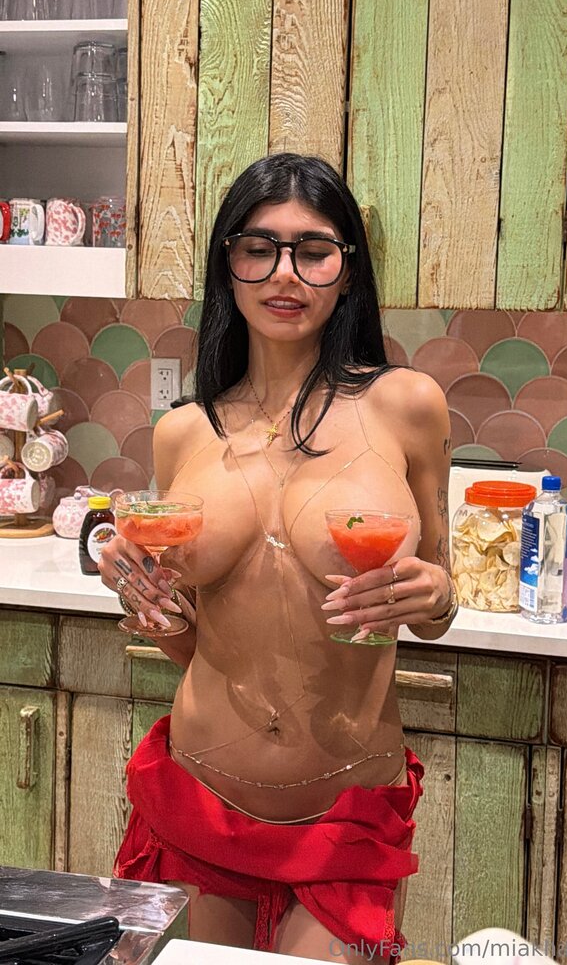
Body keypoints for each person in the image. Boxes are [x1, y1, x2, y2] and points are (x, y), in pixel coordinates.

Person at [99, 152, 458, 964]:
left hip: (344, 816)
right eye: (258, 248)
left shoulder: (406, 405)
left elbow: (439, 606)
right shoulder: (184, 431)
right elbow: (198, 641)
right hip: (196, 797)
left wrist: (434, 593)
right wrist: (148, 602)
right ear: (227, 264)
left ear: (347, 269)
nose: (284, 274)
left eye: (314, 250)